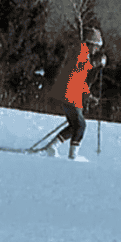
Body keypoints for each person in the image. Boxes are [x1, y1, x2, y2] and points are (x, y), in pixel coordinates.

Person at [44, 27, 106, 159]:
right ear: (91, 43)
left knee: (75, 126)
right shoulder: (81, 51)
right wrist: (95, 63)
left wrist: (88, 96)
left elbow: (79, 78)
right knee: (80, 126)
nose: (97, 50)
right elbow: (79, 68)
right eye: (96, 47)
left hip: (70, 95)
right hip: (70, 95)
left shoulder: (83, 52)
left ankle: (52, 147)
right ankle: (73, 155)